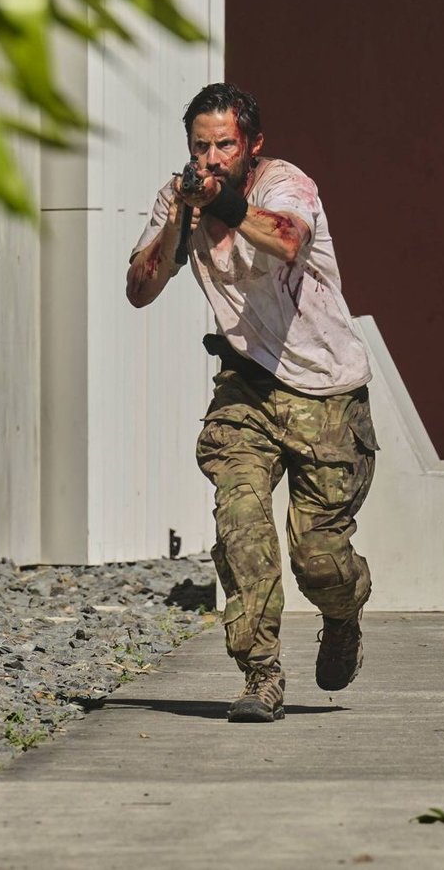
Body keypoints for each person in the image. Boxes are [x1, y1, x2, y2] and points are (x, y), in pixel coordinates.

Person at [126, 83, 378, 720]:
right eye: (199, 147)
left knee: (319, 558)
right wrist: (182, 221)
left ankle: (343, 614)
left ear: (252, 146)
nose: (209, 159)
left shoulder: (284, 186)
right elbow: (139, 288)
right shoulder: (181, 196)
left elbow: (287, 240)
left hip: (327, 391)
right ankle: (260, 674)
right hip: (246, 388)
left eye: (223, 147)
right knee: (241, 526)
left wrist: (225, 203)